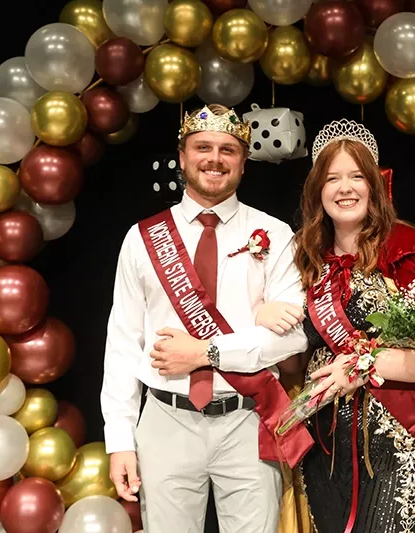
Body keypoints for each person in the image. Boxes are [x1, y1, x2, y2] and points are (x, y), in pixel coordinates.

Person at [257, 119, 415, 533]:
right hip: (325, 447)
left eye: (356, 176)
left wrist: (366, 364)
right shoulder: (301, 257)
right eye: (332, 179)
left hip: (397, 444)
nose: (345, 188)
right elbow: (291, 361)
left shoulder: (410, 249)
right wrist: (261, 315)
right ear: (318, 190)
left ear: (374, 185)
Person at [99, 103, 315, 533]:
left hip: (247, 416)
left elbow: (292, 341)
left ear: (243, 162)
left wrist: (205, 353)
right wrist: (119, 440)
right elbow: (123, 343)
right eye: (202, 147)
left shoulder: (274, 234)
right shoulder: (142, 239)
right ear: (182, 157)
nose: (214, 159)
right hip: (166, 418)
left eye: (227, 150)